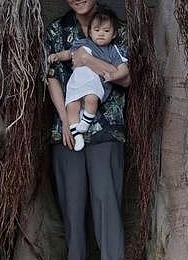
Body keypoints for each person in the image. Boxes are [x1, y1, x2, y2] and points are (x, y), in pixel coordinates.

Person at [46, 0, 132, 260]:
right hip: (66, 129)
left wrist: (87, 59)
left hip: (106, 128)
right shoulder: (57, 30)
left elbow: (125, 77)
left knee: (105, 202)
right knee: (73, 202)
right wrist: (63, 122)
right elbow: (51, 77)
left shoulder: (115, 28)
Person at [48, 8, 128, 152]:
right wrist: (58, 56)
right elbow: (69, 53)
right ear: (90, 32)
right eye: (97, 30)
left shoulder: (112, 51)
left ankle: (84, 123)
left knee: (91, 99)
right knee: (71, 107)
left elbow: (124, 71)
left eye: (106, 31)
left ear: (114, 34)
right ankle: (77, 134)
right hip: (77, 83)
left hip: (93, 85)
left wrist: (112, 76)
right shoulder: (83, 44)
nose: (101, 34)